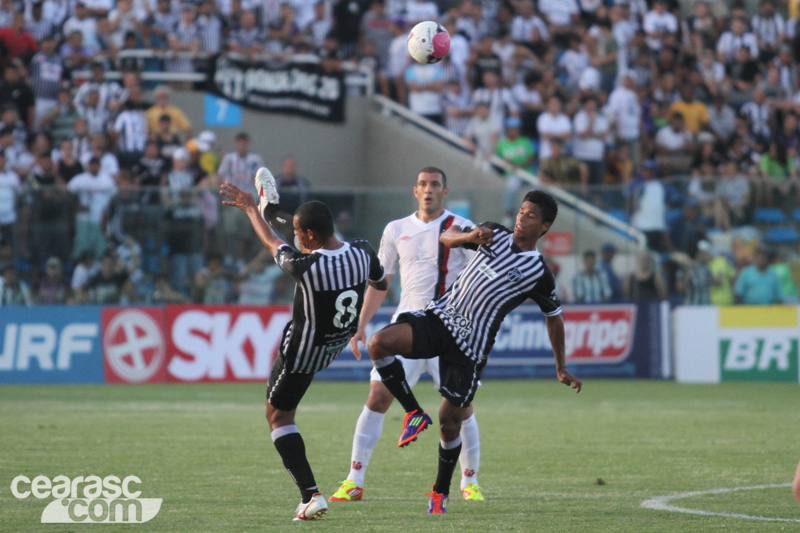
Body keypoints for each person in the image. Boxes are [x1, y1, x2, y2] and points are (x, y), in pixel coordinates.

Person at [364, 190, 581, 514]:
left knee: (449, 420)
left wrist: (560, 366)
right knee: (378, 343)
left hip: (471, 347)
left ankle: (440, 492)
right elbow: (447, 238)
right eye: (521, 211)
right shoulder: (490, 234)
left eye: (531, 215)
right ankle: (412, 411)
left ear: (545, 226)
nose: (522, 217)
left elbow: (554, 317)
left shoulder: (538, 272)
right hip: (439, 319)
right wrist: (471, 235)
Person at [219, 167, 388, 521]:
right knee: (282, 413)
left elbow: (272, 243)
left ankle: (311, 495)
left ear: (310, 236)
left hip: (300, 354)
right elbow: (381, 282)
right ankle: (273, 205)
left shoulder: (306, 267)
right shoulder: (361, 251)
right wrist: (361, 323)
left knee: (277, 416)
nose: (294, 237)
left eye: (299, 232)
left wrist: (252, 210)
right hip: (332, 345)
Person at [331, 167, 484, 504]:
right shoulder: (396, 229)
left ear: (445, 192)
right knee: (377, 397)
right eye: (423, 185)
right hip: (408, 327)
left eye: (435, 185)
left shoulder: (461, 228)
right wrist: (361, 323)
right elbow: (380, 282)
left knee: (462, 408)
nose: (429, 190)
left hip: (450, 330)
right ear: (414, 190)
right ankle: (354, 480)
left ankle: (469, 482)